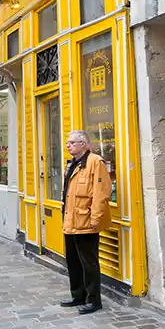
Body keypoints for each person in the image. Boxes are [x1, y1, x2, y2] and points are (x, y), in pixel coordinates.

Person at [59, 130, 114, 315]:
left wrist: (96, 220)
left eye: (72, 142)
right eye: (68, 142)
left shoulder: (95, 162)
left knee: (89, 263)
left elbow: (102, 193)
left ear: (83, 144)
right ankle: (78, 295)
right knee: (73, 261)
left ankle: (93, 300)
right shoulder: (72, 164)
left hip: (86, 222)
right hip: (70, 221)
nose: (68, 145)